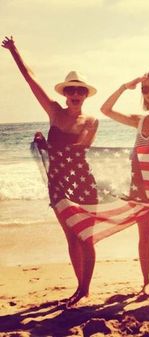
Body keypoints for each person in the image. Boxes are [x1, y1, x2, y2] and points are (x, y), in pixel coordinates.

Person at [2, 36, 98, 307]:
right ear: (65, 94)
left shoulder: (92, 120)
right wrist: (15, 51)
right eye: (71, 91)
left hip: (82, 183)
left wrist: (51, 146)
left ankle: (84, 289)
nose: (76, 95)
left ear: (86, 95)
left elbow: (80, 149)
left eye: (80, 91)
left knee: (85, 238)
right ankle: (79, 286)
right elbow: (31, 80)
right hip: (58, 183)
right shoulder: (54, 112)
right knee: (71, 237)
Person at [100, 71, 149, 293]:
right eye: (146, 89)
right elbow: (105, 110)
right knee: (144, 236)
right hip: (139, 185)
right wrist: (126, 85)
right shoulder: (140, 120)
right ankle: (146, 282)